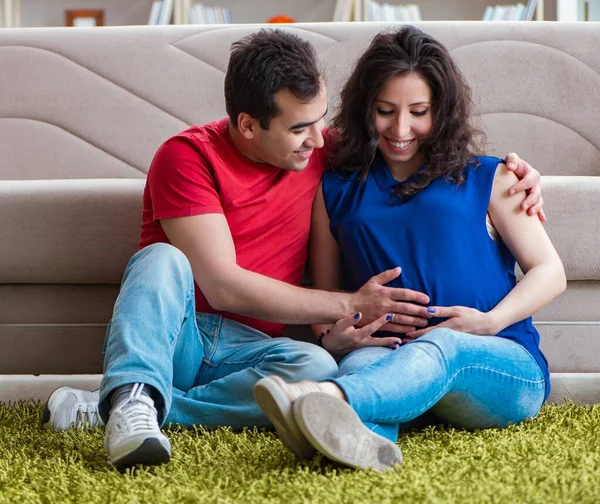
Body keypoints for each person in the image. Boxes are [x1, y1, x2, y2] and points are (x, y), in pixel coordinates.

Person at [41, 29, 544, 469]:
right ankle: (132, 399)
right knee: (162, 258)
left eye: (319, 121)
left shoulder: (329, 152)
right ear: (247, 125)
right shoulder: (188, 157)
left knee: (322, 367)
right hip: (183, 334)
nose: (317, 139)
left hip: (257, 352)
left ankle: (144, 405)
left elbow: (422, 154)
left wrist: (517, 172)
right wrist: (348, 309)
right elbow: (223, 284)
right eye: (299, 128)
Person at [253, 25, 566, 472]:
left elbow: (550, 271)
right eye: (385, 111)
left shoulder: (490, 177)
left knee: (444, 345)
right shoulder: (336, 189)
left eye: (419, 111)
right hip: (389, 358)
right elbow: (327, 301)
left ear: (443, 111)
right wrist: (332, 336)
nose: (400, 129)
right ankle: (363, 447)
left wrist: (488, 322)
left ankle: (321, 399)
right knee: (360, 363)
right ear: (365, 109)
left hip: (499, 364)